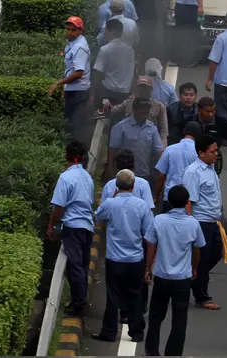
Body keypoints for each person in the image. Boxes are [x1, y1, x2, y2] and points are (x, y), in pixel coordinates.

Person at [145, 185, 205, 356]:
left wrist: (148, 268)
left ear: (169, 202)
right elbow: (198, 249)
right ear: (187, 202)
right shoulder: (193, 223)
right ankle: (173, 353)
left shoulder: (159, 220)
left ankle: (152, 352)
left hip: (162, 276)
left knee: (156, 316)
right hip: (183, 279)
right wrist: (194, 268)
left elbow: (151, 246)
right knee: (180, 318)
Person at [94, 169, 152, 343]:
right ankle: (136, 333)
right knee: (135, 296)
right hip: (135, 259)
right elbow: (148, 234)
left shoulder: (110, 204)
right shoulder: (142, 205)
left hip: (115, 259)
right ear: (133, 186)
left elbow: (98, 218)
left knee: (113, 296)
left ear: (116, 186)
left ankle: (109, 332)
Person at [47, 141, 95, 317]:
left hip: (72, 227)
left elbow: (59, 207)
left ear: (66, 156)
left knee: (74, 267)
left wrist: (51, 225)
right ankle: (79, 301)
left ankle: (79, 306)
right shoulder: (87, 177)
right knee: (81, 266)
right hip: (87, 226)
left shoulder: (65, 178)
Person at [180, 134, 227, 310]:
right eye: (213, 151)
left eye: (217, 151)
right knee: (202, 258)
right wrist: (191, 225)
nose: (216, 154)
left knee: (215, 254)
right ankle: (202, 296)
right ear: (201, 153)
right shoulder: (193, 172)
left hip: (213, 221)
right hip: (201, 222)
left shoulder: (210, 168)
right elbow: (188, 202)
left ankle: (195, 278)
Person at [109, 97, 165, 182]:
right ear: (134, 110)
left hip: (144, 174)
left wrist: (162, 170)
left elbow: (159, 151)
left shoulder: (152, 128)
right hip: (124, 174)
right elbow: (113, 149)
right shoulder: (121, 127)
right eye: (142, 112)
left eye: (147, 112)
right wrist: (110, 167)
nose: (145, 115)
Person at [154, 121, 201, 205]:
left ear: (184, 131)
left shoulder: (169, 149)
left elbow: (161, 176)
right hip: (189, 200)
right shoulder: (198, 152)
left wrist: (156, 197)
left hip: (170, 198)